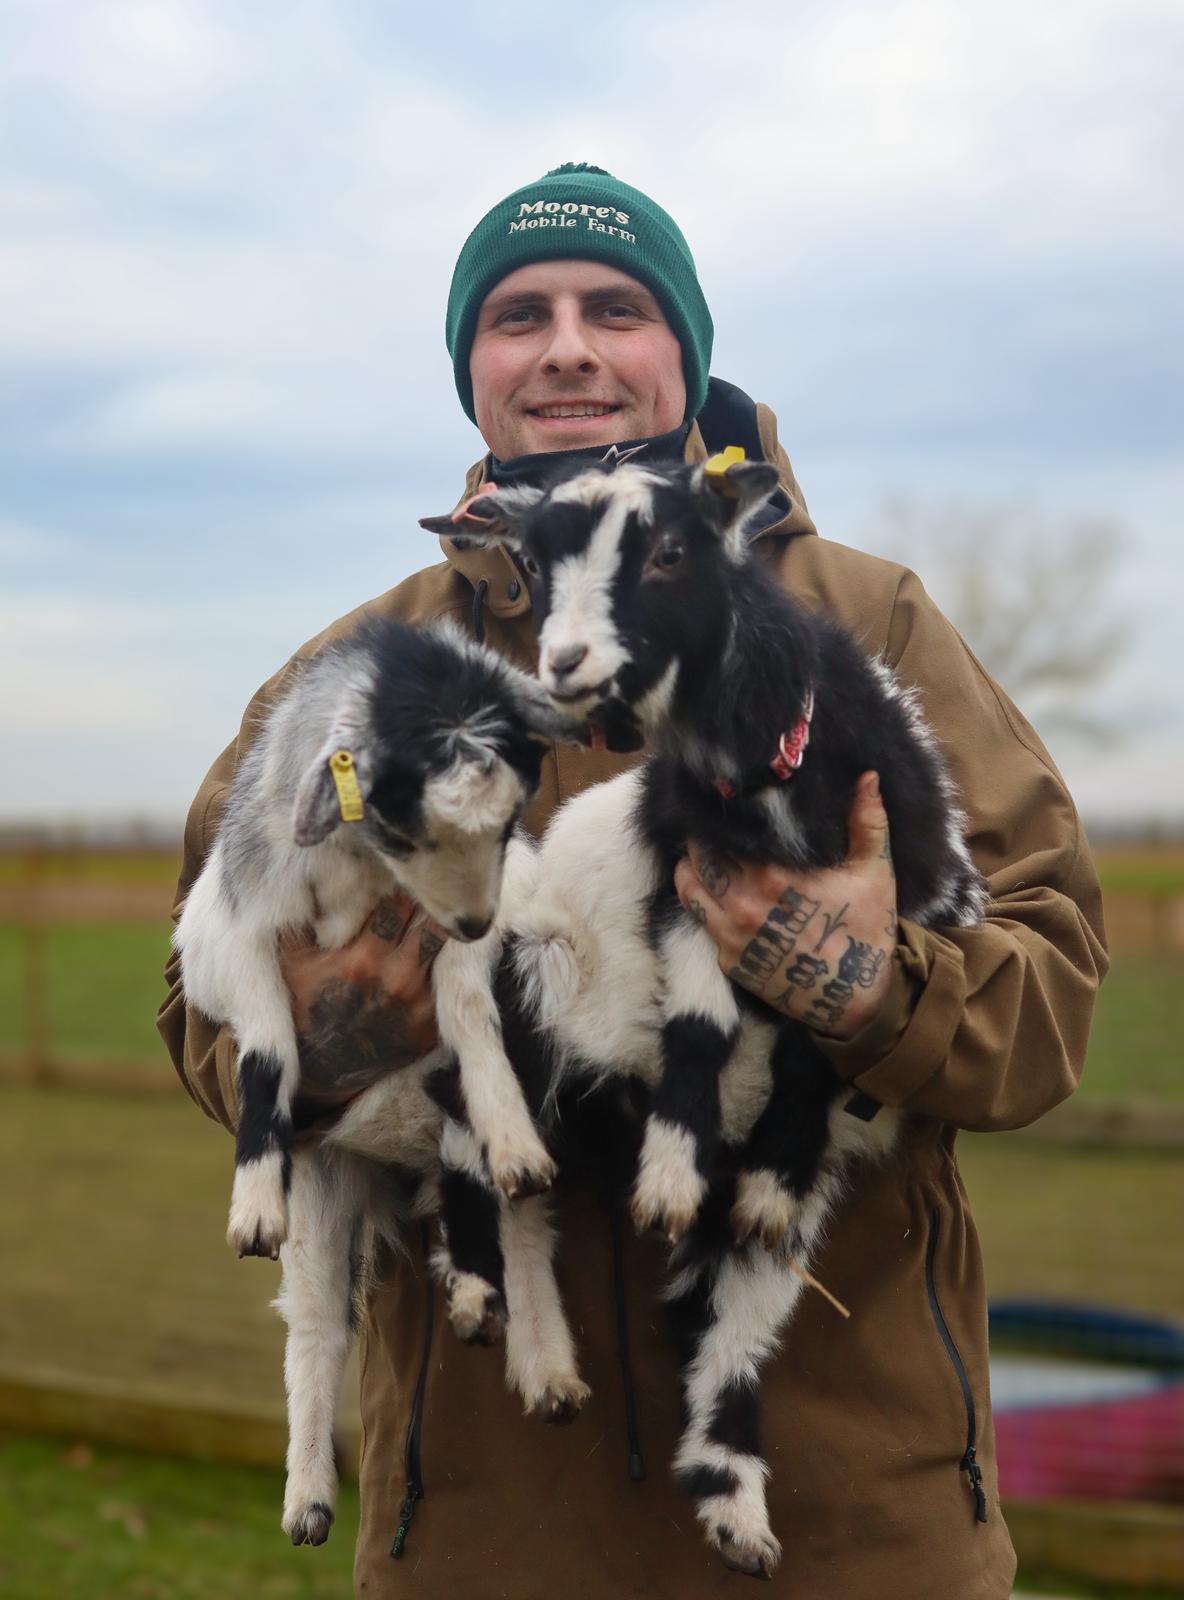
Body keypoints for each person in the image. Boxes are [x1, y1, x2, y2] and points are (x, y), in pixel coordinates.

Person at [159, 163, 1107, 1599]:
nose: (568, 349)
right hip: (486, 1540)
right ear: (472, 372)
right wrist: (338, 1037)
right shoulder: (359, 675)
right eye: (518, 316)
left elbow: (1049, 1001)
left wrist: (876, 981)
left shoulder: (868, 622)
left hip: (852, 1530)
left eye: (616, 309)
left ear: (685, 353)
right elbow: (202, 1008)